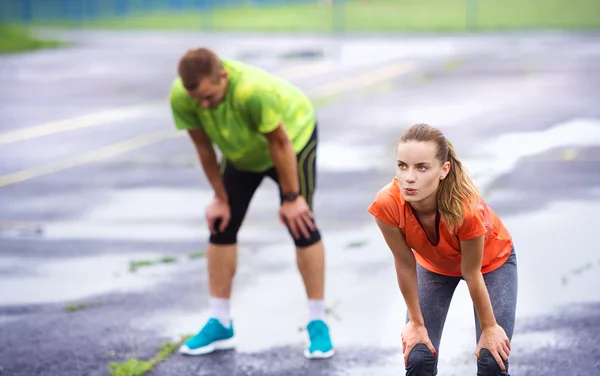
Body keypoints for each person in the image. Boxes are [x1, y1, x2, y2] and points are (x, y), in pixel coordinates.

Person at [169, 47, 334, 359]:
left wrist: (291, 198)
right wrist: (219, 197)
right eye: (197, 100)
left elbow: (279, 142)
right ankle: (220, 322)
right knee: (221, 224)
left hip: (292, 140)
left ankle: (318, 323)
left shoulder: (252, 91)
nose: (203, 105)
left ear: (223, 77)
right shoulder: (182, 95)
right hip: (243, 152)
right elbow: (203, 147)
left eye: (210, 97)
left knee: (302, 225)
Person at [367, 123, 517, 375]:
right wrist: (415, 322)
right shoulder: (387, 204)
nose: (409, 177)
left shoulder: (465, 210)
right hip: (434, 265)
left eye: (422, 167)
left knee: (493, 359)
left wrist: (489, 327)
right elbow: (404, 262)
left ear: (443, 170)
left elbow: (471, 273)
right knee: (418, 355)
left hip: (490, 264)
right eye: (402, 166)